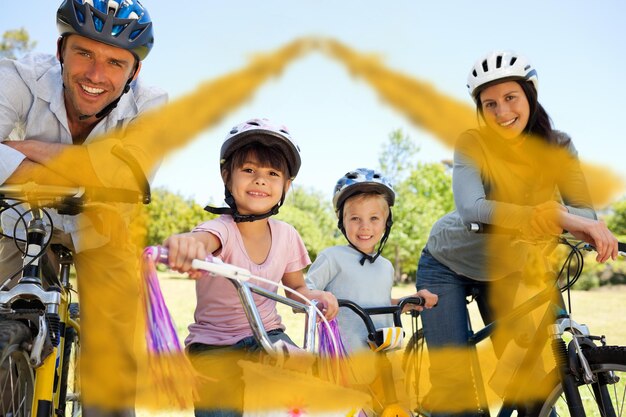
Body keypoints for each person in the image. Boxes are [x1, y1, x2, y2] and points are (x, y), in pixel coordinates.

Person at [415, 50, 619, 417]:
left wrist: (575, 221)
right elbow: (472, 208)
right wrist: (554, 214)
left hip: (510, 268)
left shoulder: (558, 146)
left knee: (532, 385)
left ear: (530, 97)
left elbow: (587, 214)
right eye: (489, 103)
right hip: (447, 262)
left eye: (510, 98)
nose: (501, 112)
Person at [0, 0, 166, 415]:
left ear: (134, 72)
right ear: (60, 51)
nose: (96, 75)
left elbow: (126, 178)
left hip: (105, 228)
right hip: (21, 221)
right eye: (84, 53)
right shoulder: (20, 77)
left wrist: (24, 152)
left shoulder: (153, 105)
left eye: (114, 62)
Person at [163, 118, 339, 417]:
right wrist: (188, 245)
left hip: (269, 337)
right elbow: (202, 241)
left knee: (306, 399)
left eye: (272, 173)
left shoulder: (287, 235)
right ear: (226, 176)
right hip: (216, 346)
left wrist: (315, 298)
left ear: (287, 185)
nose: (260, 180)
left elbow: (296, 288)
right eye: (248, 170)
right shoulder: (220, 229)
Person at [305, 168, 437, 412]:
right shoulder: (332, 257)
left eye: (374, 218)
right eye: (355, 218)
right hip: (343, 362)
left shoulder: (385, 266)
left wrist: (411, 301)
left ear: (387, 222)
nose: (365, 227)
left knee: (392, 407)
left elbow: (380, 301)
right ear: (342, 221)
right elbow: (303, 294)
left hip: (382, 360)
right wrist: (320, 297)